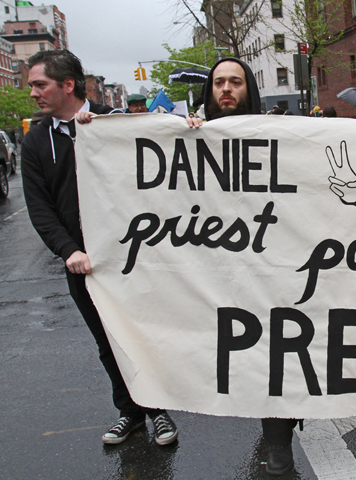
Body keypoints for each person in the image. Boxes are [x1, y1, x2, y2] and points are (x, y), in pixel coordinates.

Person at [21, 50, 179, 447]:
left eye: (40, 85)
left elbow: (171, 149)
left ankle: (158, 411)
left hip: (132, 258)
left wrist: (190, 125)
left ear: (67, 85)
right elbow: (39, 207)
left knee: (143, 334)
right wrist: (68, 250)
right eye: (31, 87)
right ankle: (130, 412)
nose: (33, 94)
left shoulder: (115, 122)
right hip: (83, 266)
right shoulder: (36, 141)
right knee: (107, 341)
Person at [185, 58, 300, 476]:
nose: (226, 89)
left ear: (248, 87)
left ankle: (278, 440)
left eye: (235, 81)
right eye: (219, 82)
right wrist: (89, 123)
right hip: (219, 270)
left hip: (272, 265)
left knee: (276, 351)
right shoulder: (191, 134)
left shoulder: (275, 133)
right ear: (209, 89)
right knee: (246, 357)